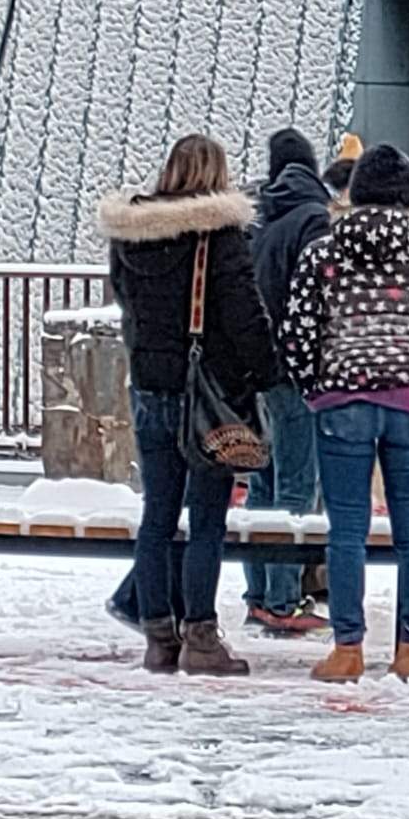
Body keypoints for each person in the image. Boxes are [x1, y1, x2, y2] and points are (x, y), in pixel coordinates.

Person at [279, 144, 409, 683]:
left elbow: (297, 334)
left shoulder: (322, 254)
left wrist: (316, 389)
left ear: (355, 191)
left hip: (342, 401)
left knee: (347, 529)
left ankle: (347, 649)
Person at [99, 134, 277, 676]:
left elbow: (127, 304)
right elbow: (243, 316)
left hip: (150, 384)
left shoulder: (131, 234)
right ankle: (200, 634)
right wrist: (266, 372)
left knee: (156, 513)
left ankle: (157, 636)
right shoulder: (218, 236)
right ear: (217, 174)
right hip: (208, 394)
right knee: (206, 519)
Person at [243, 128, 333, 636]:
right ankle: (283, 600)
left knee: (262, 480)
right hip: (297, 368)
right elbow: (315, 294)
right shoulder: (313, 219)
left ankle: (257, 594)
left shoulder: (258, 215)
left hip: (256, 366)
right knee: (298, 485)